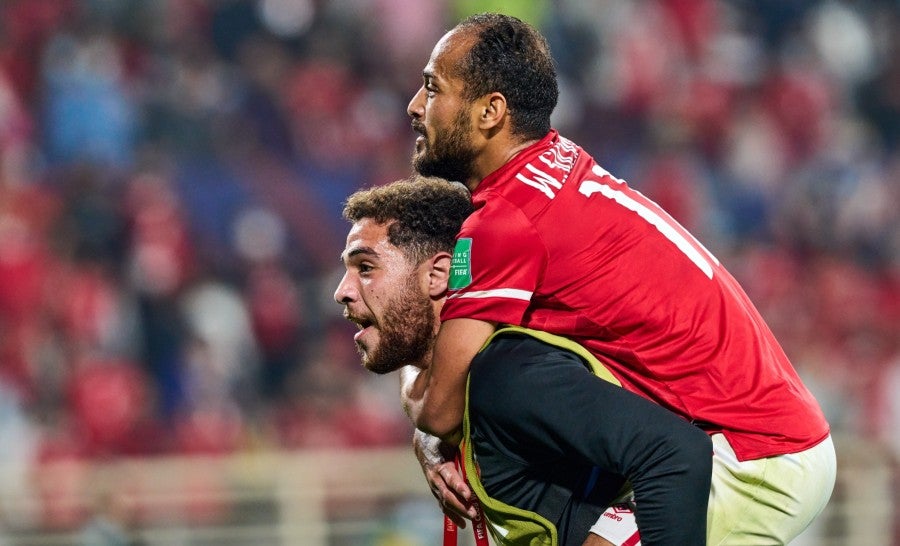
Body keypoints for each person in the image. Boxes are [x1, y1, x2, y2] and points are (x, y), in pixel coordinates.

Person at [401, 12, 836, 546]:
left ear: (491, 111)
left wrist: (423, 425)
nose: (415, 107)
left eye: (431, 88)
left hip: (750, 456)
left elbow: (442, 409)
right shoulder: (556, 162)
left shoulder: (505, 222)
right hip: (767, 432)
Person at [334, 176, 714, 546]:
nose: (342, 292)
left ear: (438, 275)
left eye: (366, 268)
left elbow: (676, 454)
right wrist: (429, 435)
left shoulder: (510, 377)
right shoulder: (457, 388)